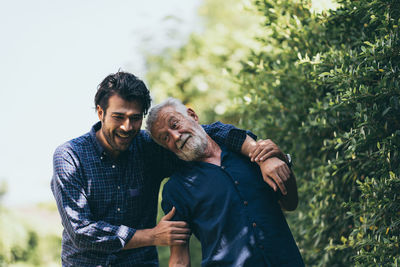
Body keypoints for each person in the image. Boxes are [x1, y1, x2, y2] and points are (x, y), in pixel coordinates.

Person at [51, 71, 290, 266]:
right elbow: (80, 231)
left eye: (135, 118)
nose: (127, 126)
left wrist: (259, 153)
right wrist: (153, 236)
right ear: (100, 112)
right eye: (118, 116)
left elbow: (204, 135)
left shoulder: (148, 147)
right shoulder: (70, 157)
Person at [146, 98, 304, 267]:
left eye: (175, 124)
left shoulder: (249, 152)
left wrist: (281, 161)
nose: (176, 136)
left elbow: (290, 203)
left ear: (192, 115)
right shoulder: (176, 189)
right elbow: (179, 259)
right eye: (165, 138)